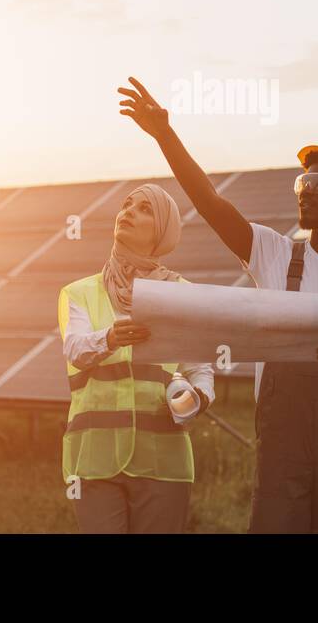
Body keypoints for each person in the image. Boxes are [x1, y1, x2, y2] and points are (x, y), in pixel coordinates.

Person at [118, 76, 318, 533]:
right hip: (282, 445)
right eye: (302, 181)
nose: (305, 190)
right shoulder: (275, 254)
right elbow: (210, 204)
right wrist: (165, 135)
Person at [58, 182, 215, 533]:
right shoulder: (79, 293)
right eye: (127, 204)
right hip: (94, 458)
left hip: (164, 459)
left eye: (145, 209)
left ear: (161, 231)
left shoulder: (183, 294)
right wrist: (110, 338)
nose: (129, 212)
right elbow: (76, 350)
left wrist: (200, 396)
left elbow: (199, 367)